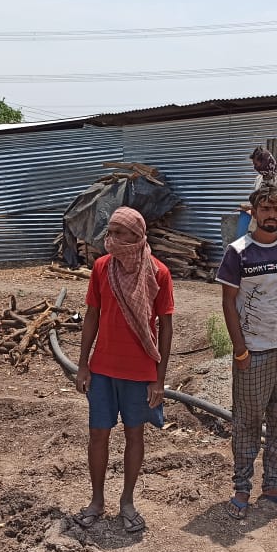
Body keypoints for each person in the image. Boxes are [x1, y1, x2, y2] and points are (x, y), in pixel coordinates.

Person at [73, 207, 174, 533]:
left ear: (136, 236)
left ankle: (127, 501)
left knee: (135, 435)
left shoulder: (157, 273)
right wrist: (83, 364)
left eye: (119, 233)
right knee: (97, 435)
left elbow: (166, 326)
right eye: (110, 232)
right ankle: (97, 500)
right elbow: (91, 316)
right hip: (103, 369)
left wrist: (159, 379)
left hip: (140, 371)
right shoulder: (103, 268)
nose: (111, 239)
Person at [217, 182, 277, 519]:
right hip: (253, 351)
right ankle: (242, 487)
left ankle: (272, 484)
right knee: (247, 421)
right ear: (254, 211)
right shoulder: (238, 252)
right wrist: (239, 349)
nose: (271, 215)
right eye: (265, 208)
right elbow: (228, 302)